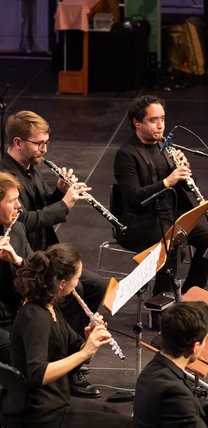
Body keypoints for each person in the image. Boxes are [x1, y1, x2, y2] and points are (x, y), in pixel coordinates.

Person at [1, 110, 105, 397]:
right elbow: (24, 220)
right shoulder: (6, 177)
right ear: (18, 142)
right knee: (76, 289)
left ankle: (70, 354)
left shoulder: (31, 167)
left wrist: (59, 192)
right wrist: (65, 206)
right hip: (35, 254)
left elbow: (38, 203)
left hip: (37, 251)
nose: (44, 150)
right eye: (39, 144)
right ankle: (66, 366)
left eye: (46, 143)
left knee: (97, 286)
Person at [4, 243, 133, 428]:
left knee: (114, 416)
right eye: (77, 278)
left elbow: (81, 353)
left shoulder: (52, 308)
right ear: (62, 283)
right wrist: (84, 354)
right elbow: (38, 374)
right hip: (36, 418)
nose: (78, 284)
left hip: (55, 404)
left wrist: (89, 338)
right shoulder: (35, 317)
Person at [114, 95, 208, 296]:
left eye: (162, 119)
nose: (161, 125)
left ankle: (191, 293)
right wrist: (166, 182)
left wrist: (185, 172)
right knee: (174, 249)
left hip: (173, 215)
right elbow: (133, 198)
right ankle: (159, 304)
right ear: (137, 123)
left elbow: (186, 187)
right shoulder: (126, 154)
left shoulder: (164, 145)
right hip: (143, 221)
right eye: (153, 120)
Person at [0, 173, 31, 364]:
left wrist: (17, 260)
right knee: (20, 355)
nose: (19, 206)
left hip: (16, 313)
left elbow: (38, 270)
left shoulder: (17, 229)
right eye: (12, 201)